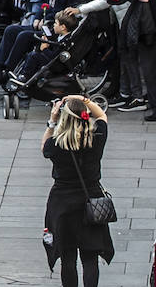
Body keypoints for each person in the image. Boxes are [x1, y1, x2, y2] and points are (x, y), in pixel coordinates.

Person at [43, 95, 112, 287]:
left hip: (62, 203)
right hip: (91, 201)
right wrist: (82, 99)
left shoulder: (56, 144)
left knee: (68, 257)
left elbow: (44, 147)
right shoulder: (96, 136)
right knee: (90, 258)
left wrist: (52, 121)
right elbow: (102, 117)